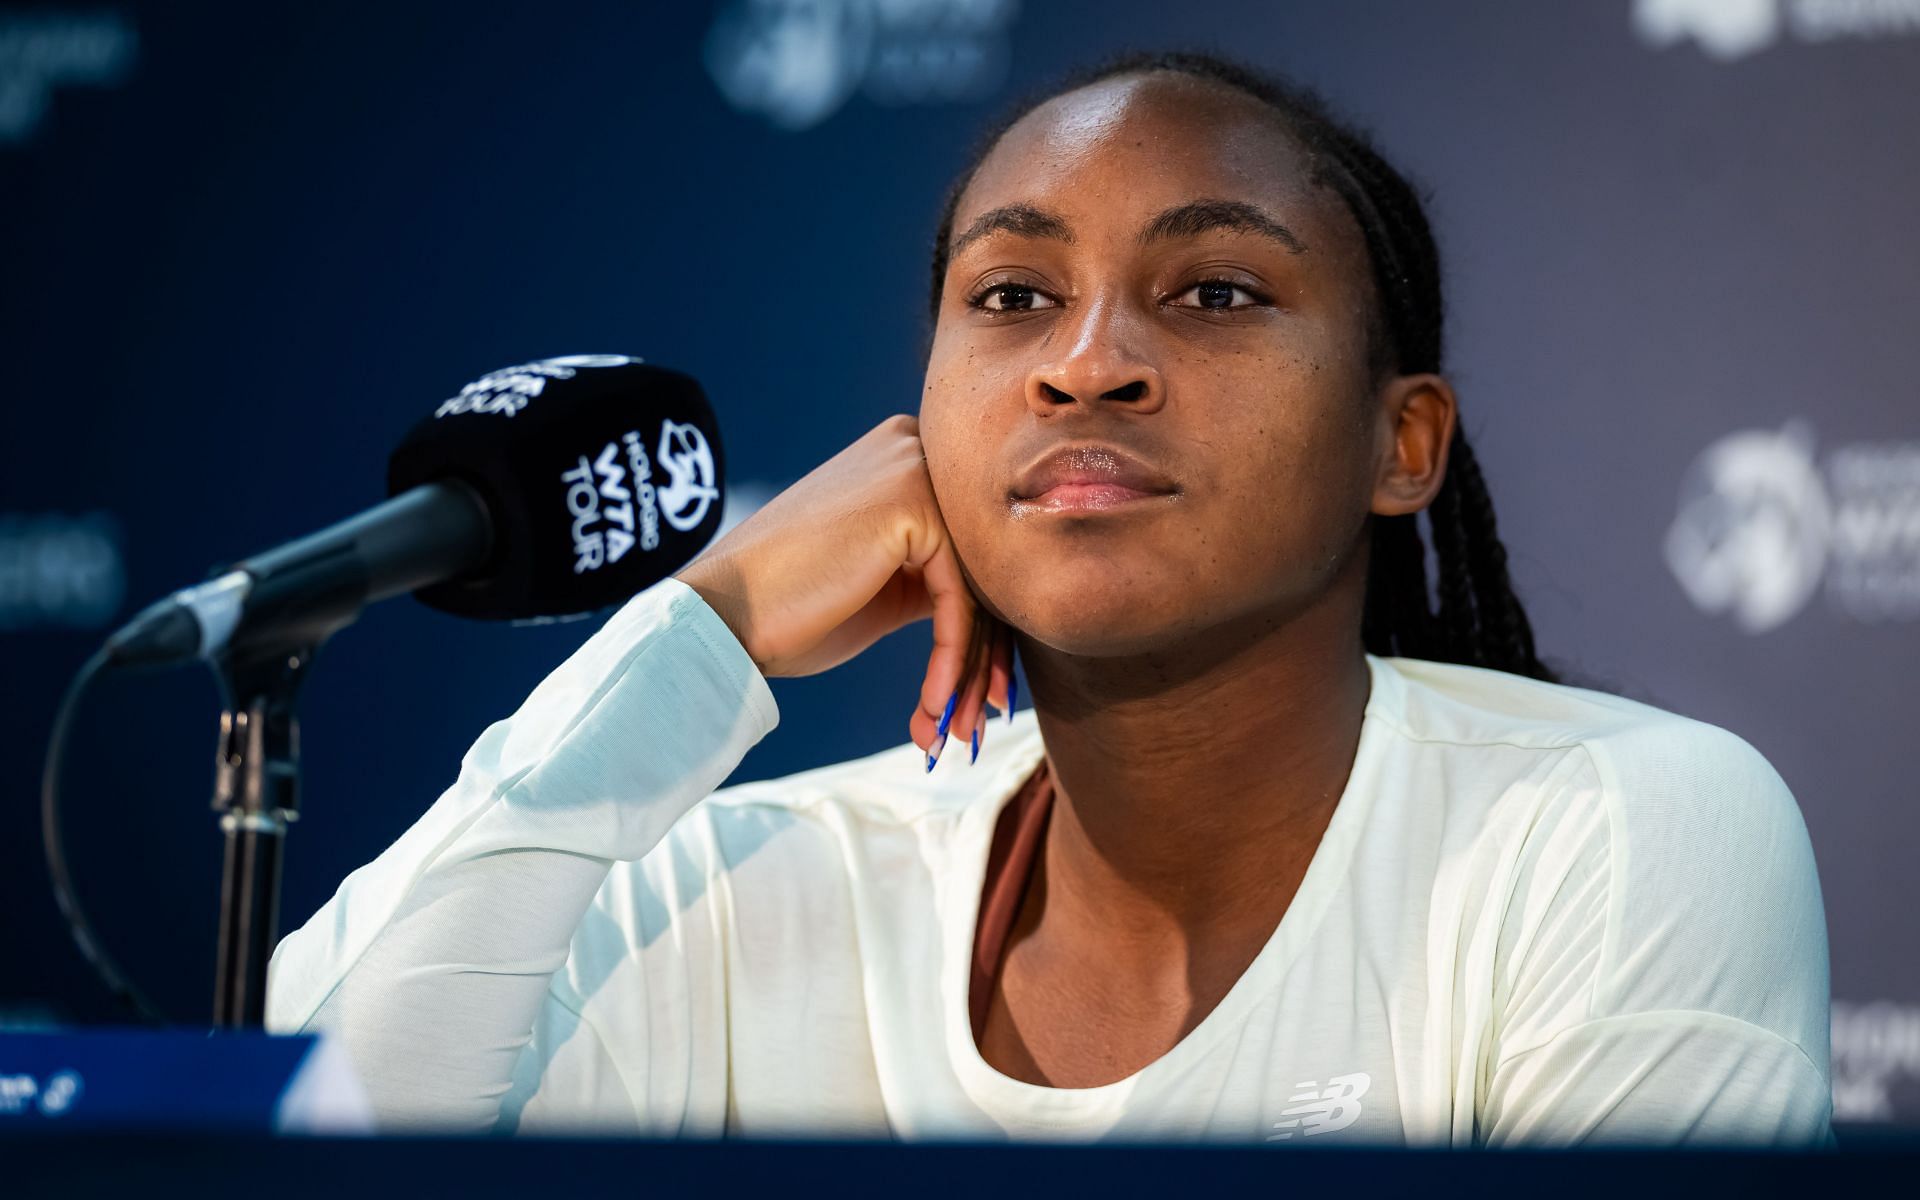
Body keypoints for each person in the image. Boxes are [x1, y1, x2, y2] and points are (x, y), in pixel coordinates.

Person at [265, 52, 1831, 1146]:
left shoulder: (1614, 828)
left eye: (1214, 291)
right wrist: (705, 630)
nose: (1086, 361)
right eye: (1012, 297)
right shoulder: (748, 882)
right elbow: (309, 1124)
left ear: (1398, 442)